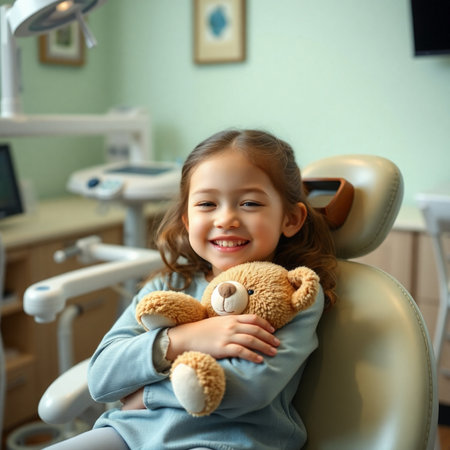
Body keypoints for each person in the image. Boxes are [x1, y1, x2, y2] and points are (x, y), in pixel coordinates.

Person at [46, 129, 337, 450]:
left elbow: (250, 390)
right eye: (207, 203)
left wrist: (147, 394)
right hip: (131, 433)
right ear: (187, 219)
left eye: (250, 203)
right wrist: (183, 339)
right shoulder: (168, 284)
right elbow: (102, 377)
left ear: (291, 218)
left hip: (224, 440)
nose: (226, 219)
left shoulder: (291, 295)